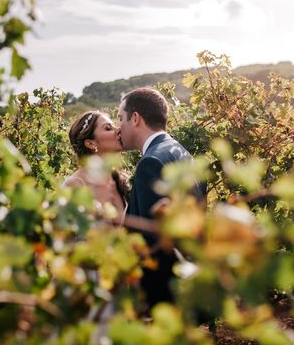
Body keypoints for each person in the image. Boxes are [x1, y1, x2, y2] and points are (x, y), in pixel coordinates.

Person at [117, 87, 205, 308]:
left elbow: (154, 240)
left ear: (135, 118)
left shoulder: (151, 163)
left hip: (163, 295)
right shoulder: (182, 153)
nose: (119, 127)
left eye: (120, 118)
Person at [64, 110, 129, 224]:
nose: (118, 130)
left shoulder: (121, 179)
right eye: (108, 128)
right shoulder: (76, 184)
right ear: (90, 144)